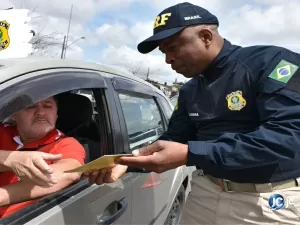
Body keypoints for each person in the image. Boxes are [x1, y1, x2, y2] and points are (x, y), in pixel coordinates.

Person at [88, 2, 300, 224]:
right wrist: (127, 162)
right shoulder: (189, 90)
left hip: (267, 201)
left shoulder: (271, 63)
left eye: (172, 48)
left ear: (206, 36)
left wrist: (192, 154)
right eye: (163, 52)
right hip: (205, 193)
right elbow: (174, 138)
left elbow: (289, 136)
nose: (168, 59)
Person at [0, 96, 85, 218]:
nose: (40, 112)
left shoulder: (67, 144)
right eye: (30, 106)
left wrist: (2, 196)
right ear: (14, 115)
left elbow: (69, 172)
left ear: (56, 115)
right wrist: (10, 159)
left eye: (48, 106)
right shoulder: (3, 131)